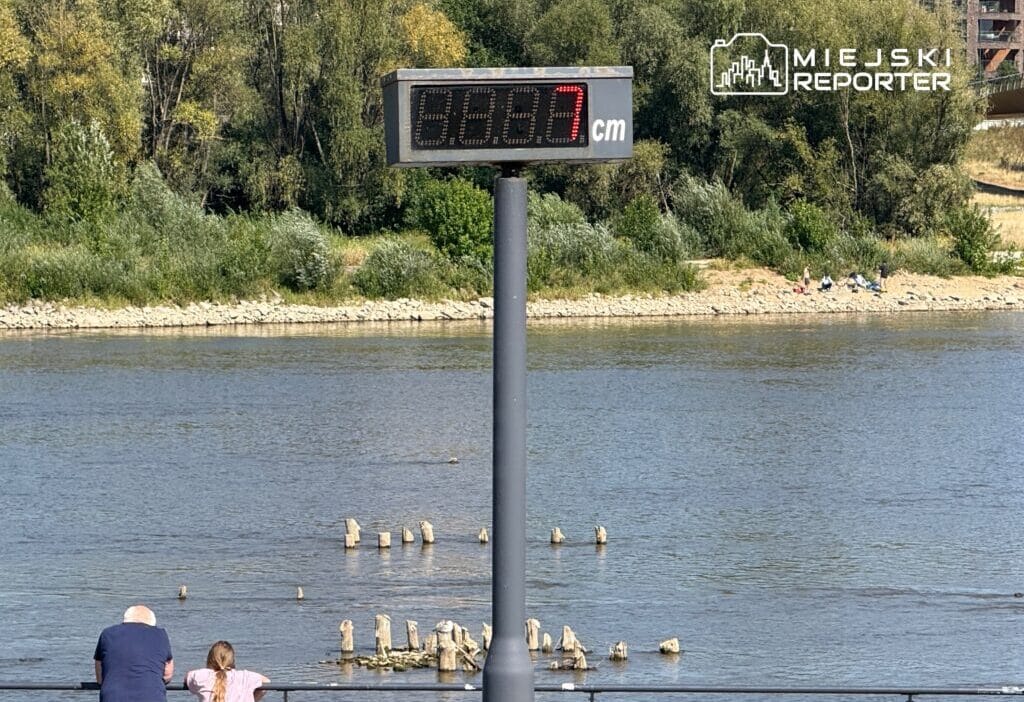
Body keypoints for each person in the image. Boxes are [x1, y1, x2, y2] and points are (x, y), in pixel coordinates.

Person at [94, 605, 173, 702]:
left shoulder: (107, 634)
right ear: (152, 623)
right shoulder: (161, 635)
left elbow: (100, 677)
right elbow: (168, 674)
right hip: (152, 697)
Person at [186, 641, 269, 702]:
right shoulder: (245, 677)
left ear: (210, 659)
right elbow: (266, 681)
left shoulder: (201, 676)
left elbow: (188, 677)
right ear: (232, 661)